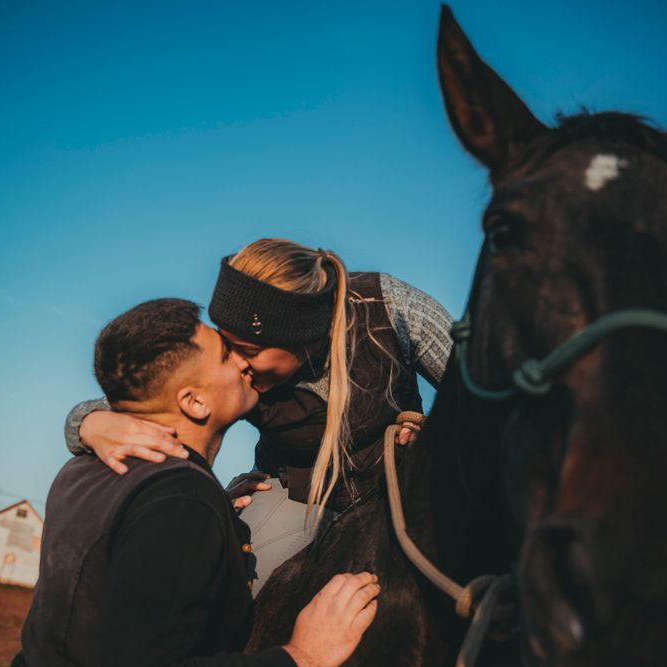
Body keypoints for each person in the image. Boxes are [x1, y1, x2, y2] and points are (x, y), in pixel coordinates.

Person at [0, 299, 380, 667]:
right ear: (194, 402)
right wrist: (302, 657)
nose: (246, 360)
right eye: (226, 354)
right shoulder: (179, 499)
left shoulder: (85, 470)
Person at [64, 239, 452, 592]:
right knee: (243, 585)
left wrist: (433, 428)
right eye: (224, 341)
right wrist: (91, 424)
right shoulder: (233, 373)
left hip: (404, 487)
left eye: (246, 348)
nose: (231, 362)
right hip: (298, 497)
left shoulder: (388, 308)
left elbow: (484, 394)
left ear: (300, 338)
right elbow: (143, 401)